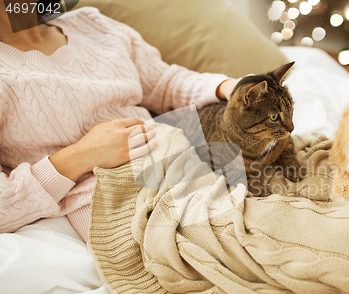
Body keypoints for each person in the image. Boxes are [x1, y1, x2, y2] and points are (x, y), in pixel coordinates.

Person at [0, 2, 242, 242]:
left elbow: (164, 83)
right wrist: (81, 156)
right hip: (118, 209)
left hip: (186, 167)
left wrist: (229, 87)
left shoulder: (92, 24)